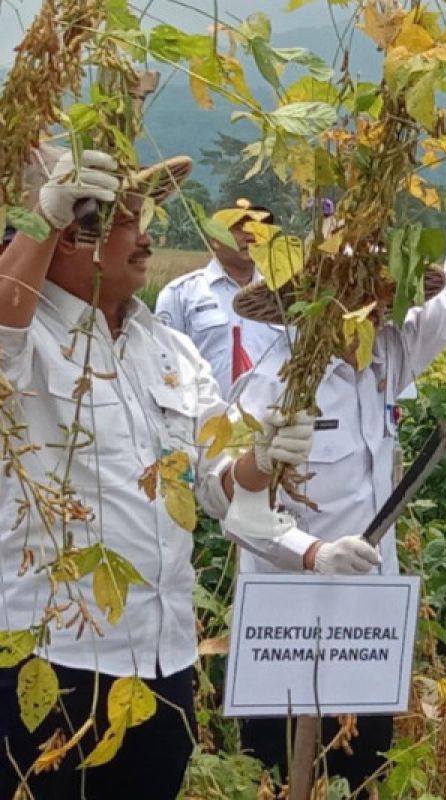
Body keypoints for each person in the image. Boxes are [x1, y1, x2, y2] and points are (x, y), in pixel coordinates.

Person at [0, 146, 315, 799]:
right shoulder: (26, 342)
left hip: (160, 663)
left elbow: (214, 482)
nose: (147, 239)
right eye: (124, 222)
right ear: (65, 237)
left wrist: (261, 460)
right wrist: (41, 215)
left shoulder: (168, 351)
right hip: (53, 660)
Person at [224, 166, 446, 789]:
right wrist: (311, 552)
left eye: (378, 289)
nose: (370, 306)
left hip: (366, 622)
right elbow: (235, 505)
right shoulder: (274, 386)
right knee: (278, 777)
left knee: (362, 773)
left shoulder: (387, 356)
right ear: (314, 297)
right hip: (286, 622)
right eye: (352, 290)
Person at [155, 198, 284, 397]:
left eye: (257, 228)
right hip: (207, 419)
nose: (251, 235)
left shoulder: (283, 294)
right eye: (239, 228)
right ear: (215, 238)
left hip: (270, 418)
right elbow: (164, 364)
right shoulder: (181, 294)